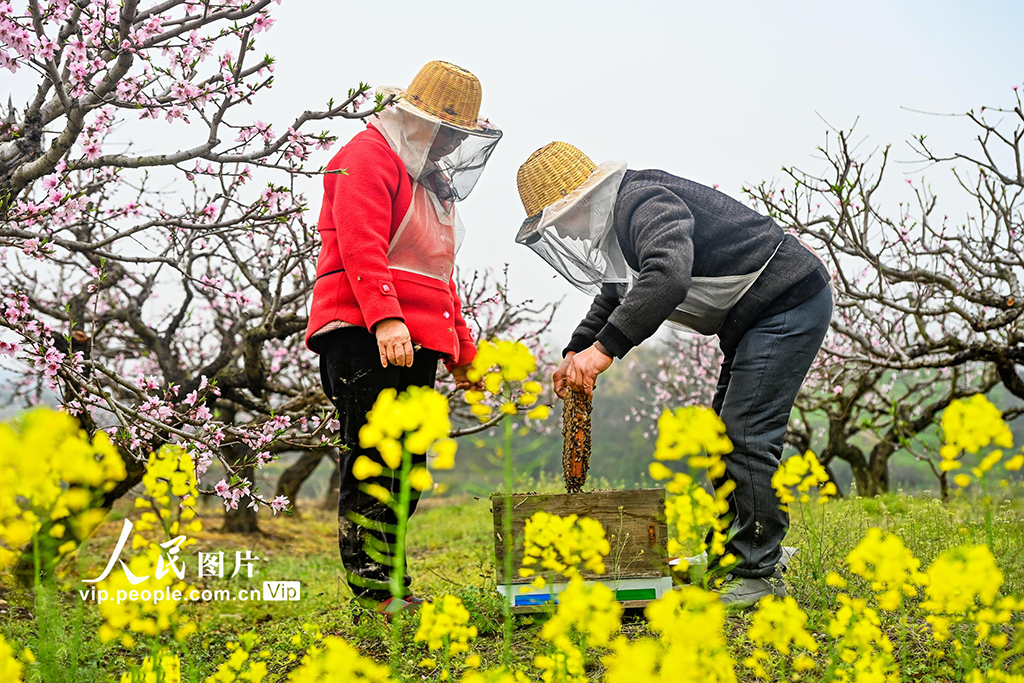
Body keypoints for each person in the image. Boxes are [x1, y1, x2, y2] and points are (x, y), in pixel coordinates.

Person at [514, 141, 832, 608]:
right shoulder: (619, 234)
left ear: (581, 201)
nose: (569, 234)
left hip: (788, 300)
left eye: (563, 222)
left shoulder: (642, 202)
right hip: (755, 318)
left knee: (745, 435)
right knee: (724, 437)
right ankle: (733, 553)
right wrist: (575, 350)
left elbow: (667, 275)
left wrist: (604, 352)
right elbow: (614, 296)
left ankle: (760, 572)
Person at [306, 61, 501, 615]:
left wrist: (462, 349)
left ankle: (391, 582)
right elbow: (359, 243)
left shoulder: (430, 182)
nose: (453, 145)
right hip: (364, 334)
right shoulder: (366, 155)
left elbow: (439, 276)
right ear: (420, 122)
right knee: (374, 458)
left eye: (462, 136)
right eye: (450, 133)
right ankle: (375, 592)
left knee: (408, 469)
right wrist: (385, 317)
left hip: (415, 339)